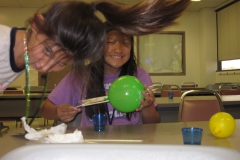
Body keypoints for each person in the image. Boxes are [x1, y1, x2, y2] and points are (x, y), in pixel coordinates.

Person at [0, 0, 190, 92]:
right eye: (48, 50)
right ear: (36, 24)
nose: (45, 67)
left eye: (61, 63)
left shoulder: (23, 55)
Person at [40, 22, 160, 125]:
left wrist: (148, 107)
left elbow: (153, 124)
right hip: (93, 145)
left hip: (130, 144)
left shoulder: (139, 75)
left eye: (125, 43)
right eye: (110, 42)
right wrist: (58, 112)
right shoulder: (80, 75)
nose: (118, 49)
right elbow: (45, 109)